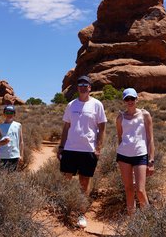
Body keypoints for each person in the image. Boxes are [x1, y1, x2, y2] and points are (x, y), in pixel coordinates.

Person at [57, 75, 107, 228]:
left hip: (88, 150)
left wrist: (98, 147)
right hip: (70, 148)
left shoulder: (97, 105)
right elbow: (66, 127)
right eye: (80, 84)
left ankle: (81, 213)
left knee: (84, 182)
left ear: (90, 88)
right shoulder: (71, 105)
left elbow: (102, 127)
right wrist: (61, 146)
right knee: (67, 179)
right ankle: (66, 207)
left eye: (86, 85)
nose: (83, 87)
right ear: (77, 87)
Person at [116, 88, 155, 216]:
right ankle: (131, 222)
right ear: (124, 100)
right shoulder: (120, 118)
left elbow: (150, 139)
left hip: (140, 155)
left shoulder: (145, 115)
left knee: (140, 190)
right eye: (127, 99)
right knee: (128, 189)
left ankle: (149, 221)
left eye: (132, 98)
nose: (130, 101)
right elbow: (120, 138)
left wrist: (151, 161)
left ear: (136, 99)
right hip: (124, 156)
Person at [0, 105, 24, 172]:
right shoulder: (1, 126)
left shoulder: (18, 125)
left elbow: (21, 141)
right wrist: (2, 143)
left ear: (14, 114)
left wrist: (21, 155)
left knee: (12, 176)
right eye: (7, 112)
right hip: (3, 156)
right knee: (2, 176)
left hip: (15, 155)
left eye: (11, 113)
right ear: (4, 114)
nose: (9, 114)